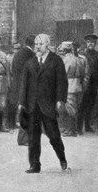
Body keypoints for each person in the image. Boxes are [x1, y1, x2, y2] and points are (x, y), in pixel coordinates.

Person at [18, 33, 68, 173]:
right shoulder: (30, 63)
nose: (38, 47)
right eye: (36, 44)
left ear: (48, 45)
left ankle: (62, 158)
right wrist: (21, 103)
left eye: (41, 44)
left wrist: (60, 100)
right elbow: (24, 84)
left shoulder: (56, 61)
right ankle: (35, 164)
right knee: (33, 136)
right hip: (32, 105)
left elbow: (62, 83)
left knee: (53, 135)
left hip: (48, 105)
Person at [60, 41, 89, 137]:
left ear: (64, 50)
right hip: (78, 85)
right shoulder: (79, 59)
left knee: (70, 109)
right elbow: (84, 74)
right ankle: (72, 129)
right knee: (74, 107)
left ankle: (71, 130)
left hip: (68, 85)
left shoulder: (66, 59)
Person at [11, 35, 36, 146]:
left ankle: (23, 138)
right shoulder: (29, 55)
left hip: (18, 86)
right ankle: (24, 139)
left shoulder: (18, 54)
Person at [78, 33, 98, 133]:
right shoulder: (82, 55)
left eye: (92, 42)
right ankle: (79, 127)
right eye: (89, 42)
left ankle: (87, 125)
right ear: (86, 43)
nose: (91, 44)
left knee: (90, 106)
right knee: (81, 106)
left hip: (94, 85)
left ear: (95, 44)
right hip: (84, 85)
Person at [5, 42, 22, 130]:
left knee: (16, 102)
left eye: (19, 48)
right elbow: (7, 71)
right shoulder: (9, 58)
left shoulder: (21, 58)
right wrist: (8, 82)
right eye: (15, 48)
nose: (17, 50)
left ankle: (14, 121)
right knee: (10, 102)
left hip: (19, 80)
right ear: (12, 49)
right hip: (11, 79)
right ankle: (9, 122)